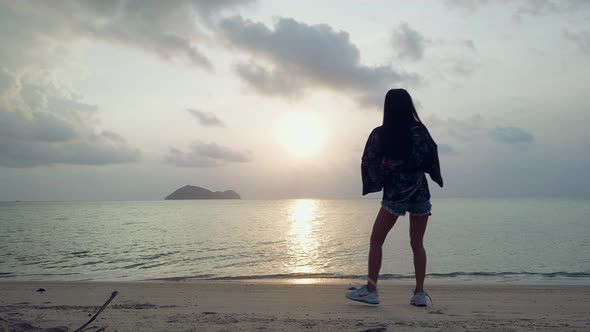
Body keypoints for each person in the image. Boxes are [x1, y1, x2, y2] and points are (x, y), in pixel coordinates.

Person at [345, 89, 443, 306]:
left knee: (376, 241)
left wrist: (384, 172)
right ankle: (419, 294)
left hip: (395, 195)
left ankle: (371, 289)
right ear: (409, 106)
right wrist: (432, 174)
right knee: (418, 245)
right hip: (419, 192)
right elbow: (431, 153)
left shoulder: (381, 133)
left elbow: (369, 160)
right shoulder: (420, 130)